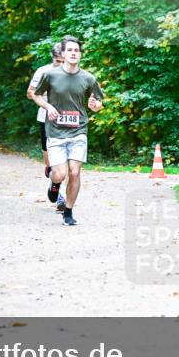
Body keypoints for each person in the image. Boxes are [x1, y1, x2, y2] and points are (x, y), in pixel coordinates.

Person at [32, 36, 104, 226]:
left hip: (78, 130)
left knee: (74, 172)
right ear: (63, 54)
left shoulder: (88, 78)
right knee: (60, 173)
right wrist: (48, 107)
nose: (73, 53)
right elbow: (36, 95)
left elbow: (98, 104)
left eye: (76, 50)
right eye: (69, 50)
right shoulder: (51, 75)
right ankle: (55, 184)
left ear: (80, 54)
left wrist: (95, 105)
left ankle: (68, 211)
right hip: (55, 131)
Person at [27, 43, 66, 208]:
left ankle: (60, 197)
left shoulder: (74, 72)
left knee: (66, 162)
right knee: (52, 163)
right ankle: (52, 177)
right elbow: (30, 93)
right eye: (58, 61)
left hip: (67, 121)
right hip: (46, 119)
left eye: (64, 61)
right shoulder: (43, 71)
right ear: (53, 58)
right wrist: (46, 100)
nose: (61, 65)